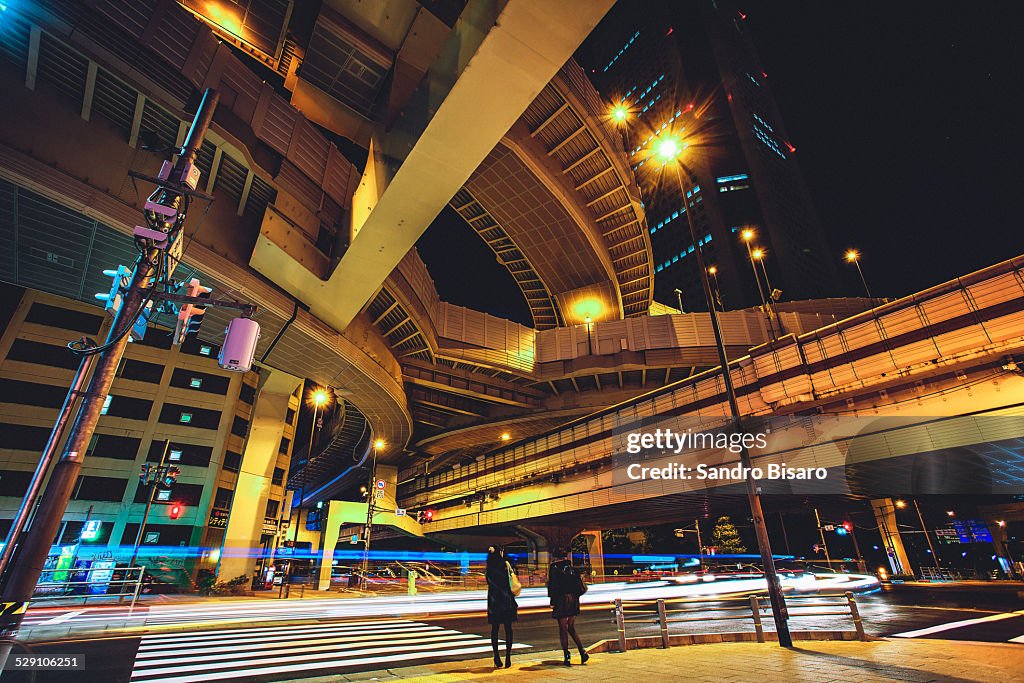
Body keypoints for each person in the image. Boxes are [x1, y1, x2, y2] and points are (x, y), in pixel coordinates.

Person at [547, 547, 589, 666]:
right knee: (571, 627)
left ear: (555, 557)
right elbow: (579, 587)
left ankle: (567, 655)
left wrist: (552, 601)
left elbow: (553, 587)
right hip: (573, 600)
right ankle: (582, 652)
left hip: (561, 600)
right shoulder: (572, 569)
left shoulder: (554, 569)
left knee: (563, 629)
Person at [485, 545, 517, 668]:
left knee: (495, 629)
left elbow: (488, 582)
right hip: (506, 599)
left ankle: (497, 657)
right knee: (508, 629)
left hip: (494, 600)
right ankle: (508, 657)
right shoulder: (506, 565)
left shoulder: (489, 568)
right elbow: (511, 580)